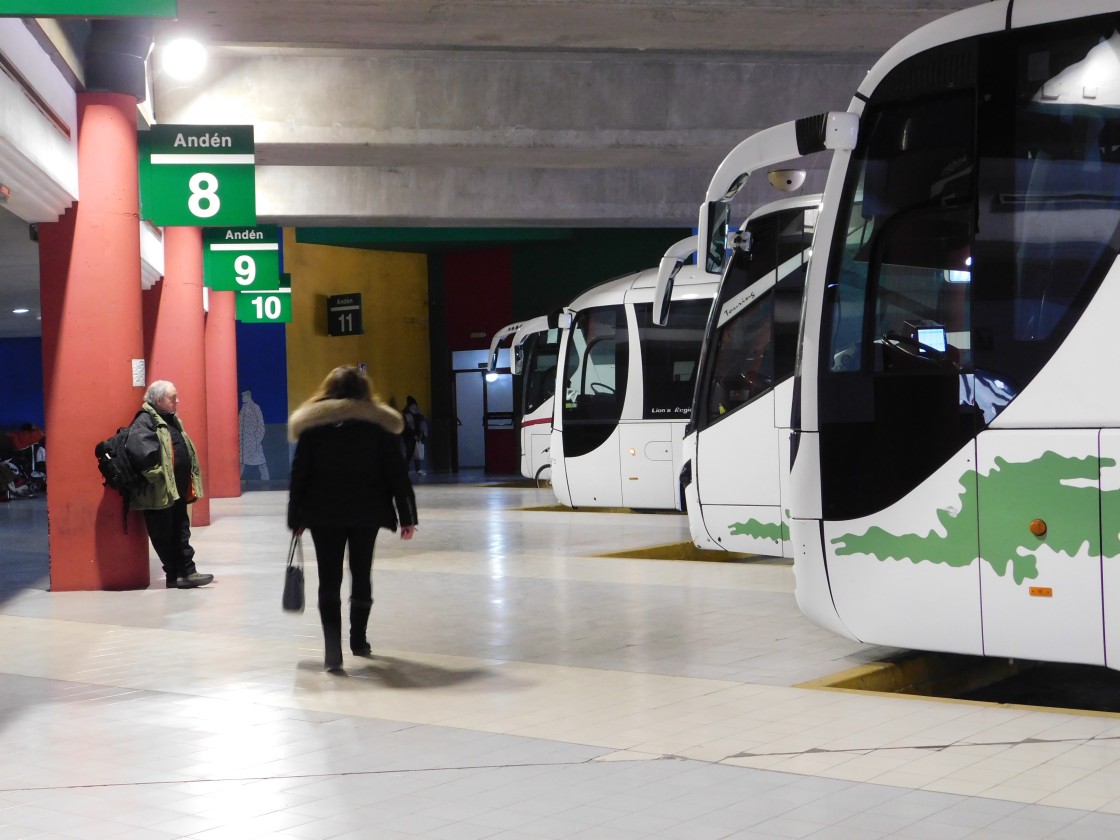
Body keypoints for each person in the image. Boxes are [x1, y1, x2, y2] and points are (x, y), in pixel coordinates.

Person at [288, 366, 418, 671]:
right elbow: (397, 475)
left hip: (323, 515)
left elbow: (299, 476)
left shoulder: (313, 428)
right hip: (367, 513)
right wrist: (407, 516)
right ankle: (358, 640)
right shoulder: (378, 428)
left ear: (328, 389)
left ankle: (332, 650)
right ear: (364, 391)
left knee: (328, 581)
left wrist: (296, 518)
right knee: (362, 574)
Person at [126, 381, 214, 590]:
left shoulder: (170, 419)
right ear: (159, 401)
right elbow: (140, 452)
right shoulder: (145, 421)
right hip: (159, 492)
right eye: (172, 398)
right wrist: (160, 477)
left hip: (176, 491)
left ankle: (185, 573)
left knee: (181, 530)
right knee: (163, 534)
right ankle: (178, 573)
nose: (177, 401)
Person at [238, 390, 269, 480]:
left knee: (261, 462)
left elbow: (261, 425)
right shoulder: (242, 409)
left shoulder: (255, 408)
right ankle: (235, 481)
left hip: (253, 442)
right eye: (242, 396)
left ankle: (266, 480)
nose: (242, 398)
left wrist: (257, 440)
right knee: (242, 463)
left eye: (244, 396)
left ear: (249, 396)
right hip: (244, 443)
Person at [402, 395, 429, 476]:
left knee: (417, 453)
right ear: (410, 405)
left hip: (417, 436)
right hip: (409, 437)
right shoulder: (406, 413)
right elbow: (408, 426)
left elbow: (422, 423)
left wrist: (422, 434)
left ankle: (418, 470)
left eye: (415, 405)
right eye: (413, 405)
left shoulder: (417, 413)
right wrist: (414, 435)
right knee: (409, 453)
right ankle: (406, 469)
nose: (415, 406)